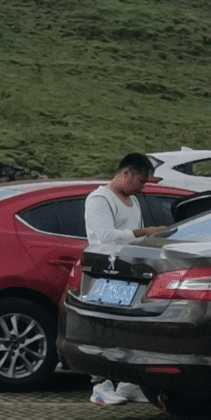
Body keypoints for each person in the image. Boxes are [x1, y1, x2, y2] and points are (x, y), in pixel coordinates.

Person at [85, 153, 165, 406]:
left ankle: (129, 384)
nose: (142, 187)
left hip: (130, 271)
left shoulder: (133, 202)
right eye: (140, 180)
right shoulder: (100, 199)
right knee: (104, 328)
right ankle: (100, 385)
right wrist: (144, 233)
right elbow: (106, 237)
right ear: (127, 173)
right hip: (106, 271)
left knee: (128, 327)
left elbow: (134, 241)